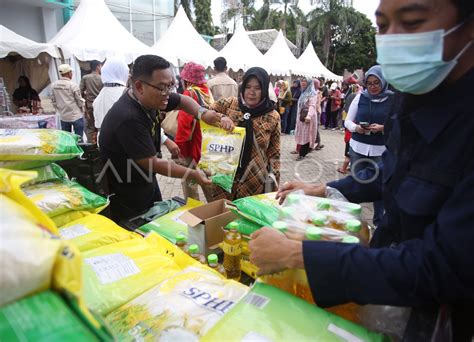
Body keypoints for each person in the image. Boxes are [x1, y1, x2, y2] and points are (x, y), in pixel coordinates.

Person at [249, 0, 474, 339]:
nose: (394, 40)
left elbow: (443, 265)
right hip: (384, 284)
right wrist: (325, 189)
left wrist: (299, 254)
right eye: (383, 26)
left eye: (411, 22)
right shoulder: (413, 97)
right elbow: (391, 173)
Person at [99, 55, 223, 222]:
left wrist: (203, 113)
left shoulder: (152, 98)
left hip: (145, 182)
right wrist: (193, 173)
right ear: (139, 86)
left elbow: (181, 100)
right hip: (126, 194)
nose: (167, 94)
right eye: (162, 87)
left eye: (170, 86)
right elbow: (154, 163)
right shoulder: (128, 118)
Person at [205, 67, 281, 201]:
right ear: (243, 87)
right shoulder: (229, 104)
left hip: (253, 181)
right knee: (222, 217)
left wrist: (274, 186)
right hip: (224, 177)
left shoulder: (272, 116)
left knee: (246, 218)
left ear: (264, 90)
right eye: (248, 87)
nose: (251, 92)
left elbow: (274, 154)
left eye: (257, 88)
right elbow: (202, 112)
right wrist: (220, 117)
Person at [345, 65, 394, 225]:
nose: (372, 87)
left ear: (384, 82)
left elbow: (398, 124)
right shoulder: (360, 97)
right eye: (370, 83)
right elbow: (347, 121)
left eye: (376, 83)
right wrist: (357, 128)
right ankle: (350, 221)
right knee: (356, 185)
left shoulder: (393, 99)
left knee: (379, 189)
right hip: (358, 148)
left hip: (380, 151)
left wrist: (383, 128)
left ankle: (378, 222)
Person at [175, 62, 214, 200]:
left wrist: (178, 147)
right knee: (208, 181)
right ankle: (216, 209)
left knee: (190, 182)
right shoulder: (206, 91)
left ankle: (195, 213)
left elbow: (184, 123)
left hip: (190, 146)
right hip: (204, 143)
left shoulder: (189, 93)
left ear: (186, 79)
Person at [51, 64, 85, 140]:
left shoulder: (54, 85)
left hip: (63, 116)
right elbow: (79, 100)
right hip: (75, 115)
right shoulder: (73, 85)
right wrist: (83, 109)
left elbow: (53, 101)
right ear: (69, 73)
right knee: (78, 139)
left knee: (66, 139)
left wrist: (60, 109)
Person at [338, 84, 362, 174]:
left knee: (348, 152)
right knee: (350, 152)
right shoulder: (358, 97)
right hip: (353, 128)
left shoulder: (350, 96)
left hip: (349, 124)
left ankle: (344, 168)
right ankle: (346, 168)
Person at [294, 77, 320, 161]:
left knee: (306, 135)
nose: (303, 83)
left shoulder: (312, 93)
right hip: (301, 117)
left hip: (308, 118)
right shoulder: (303, 92)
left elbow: (312, 106)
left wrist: (309, 116)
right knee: (302, 134)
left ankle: (302, 153)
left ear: (309, 83)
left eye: (305, 81)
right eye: (302, 81)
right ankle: (305, 150)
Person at [80, 60, 103, 144]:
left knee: (90, 127)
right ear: (98, 67)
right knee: (101, 126)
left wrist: (84, 102)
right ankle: (100, 145)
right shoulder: (102, 78)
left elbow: (80, 92)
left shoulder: (85, 78)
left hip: (90, 107)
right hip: (101, 106)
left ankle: (91, 146)